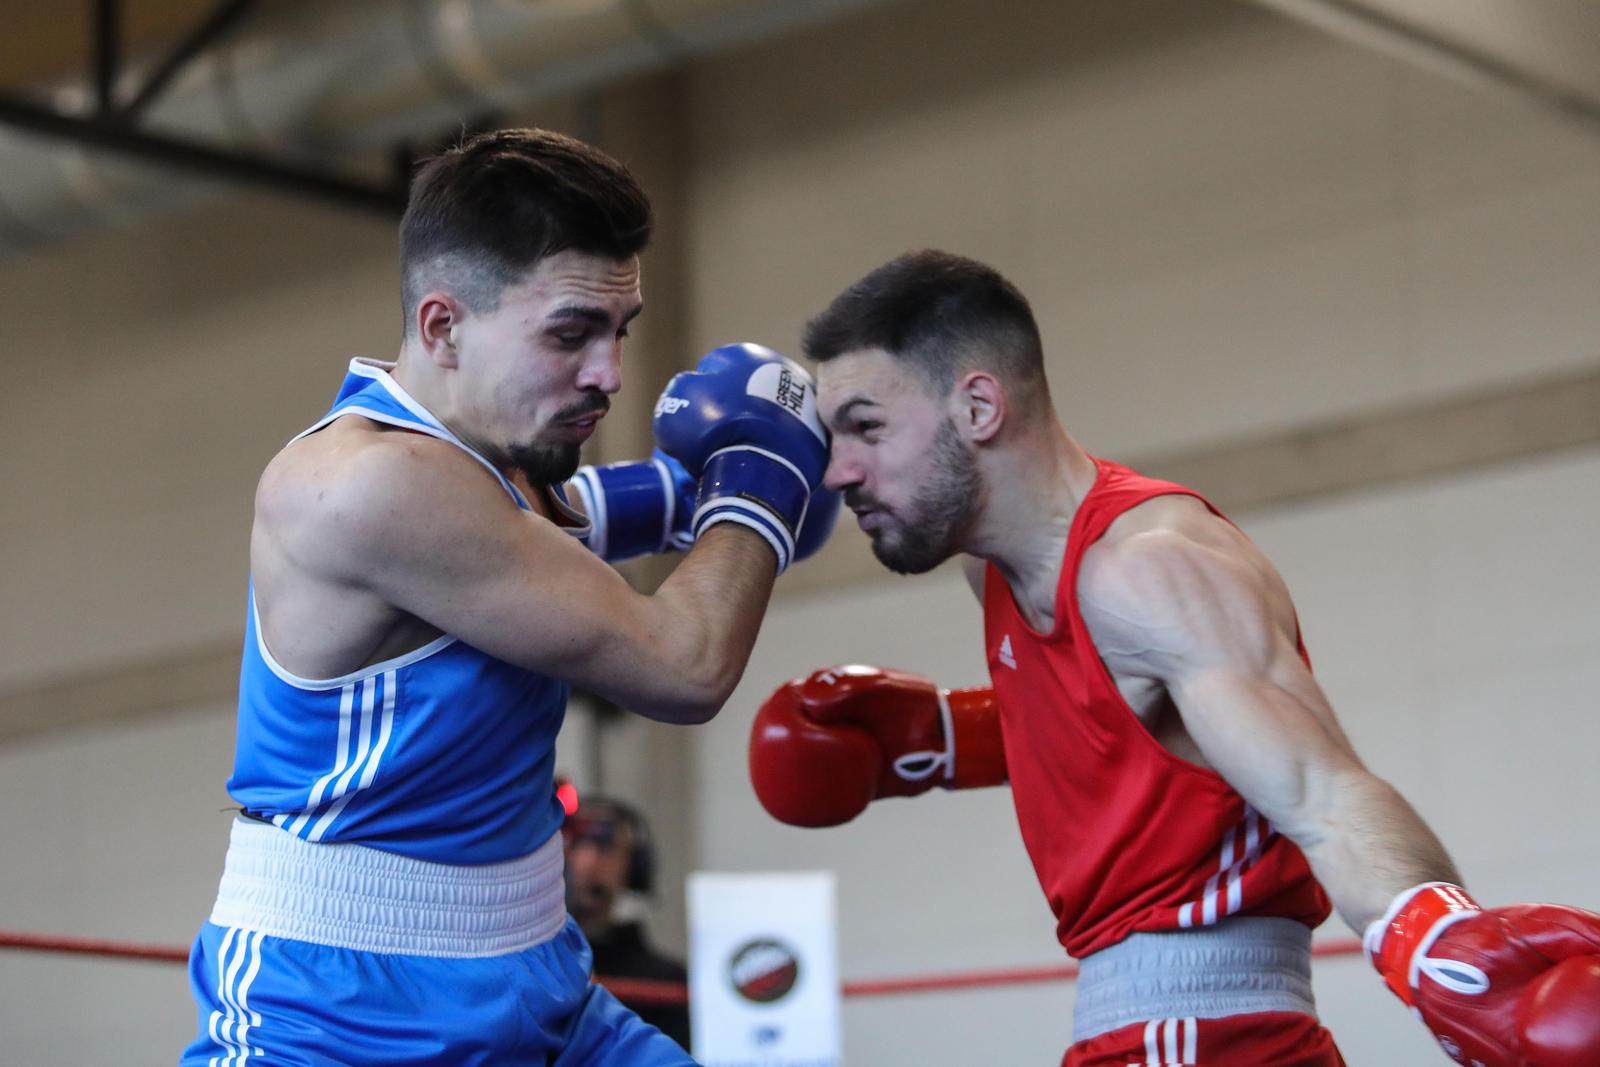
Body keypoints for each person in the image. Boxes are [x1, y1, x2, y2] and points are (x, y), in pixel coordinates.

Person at [747, 249, 1600, 1066]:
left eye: (864, 427)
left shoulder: (1147, 567)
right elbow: (1115, 725)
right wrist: (942, 735)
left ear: (978, 407)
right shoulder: (993, 569)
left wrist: (1442, 945)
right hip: (1141, 1030)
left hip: (1208, 1033)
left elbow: (1323, 793)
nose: (838, 472)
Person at [181, 127, 837, 1066]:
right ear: (444, 326)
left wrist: (710, 493)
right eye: (570, 333)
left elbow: (564, 525)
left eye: (620, 331)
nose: (608, 373)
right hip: (345, 1012)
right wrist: (761, 486)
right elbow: (684, 665)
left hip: (538, 978)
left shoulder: (489, 463)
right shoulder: (368, 482)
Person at [564, 794, 692, 1050]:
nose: (588, 863)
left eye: (605, 847)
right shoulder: (526, 967)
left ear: (634, 867)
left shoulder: (667, 982)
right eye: (575, 844)